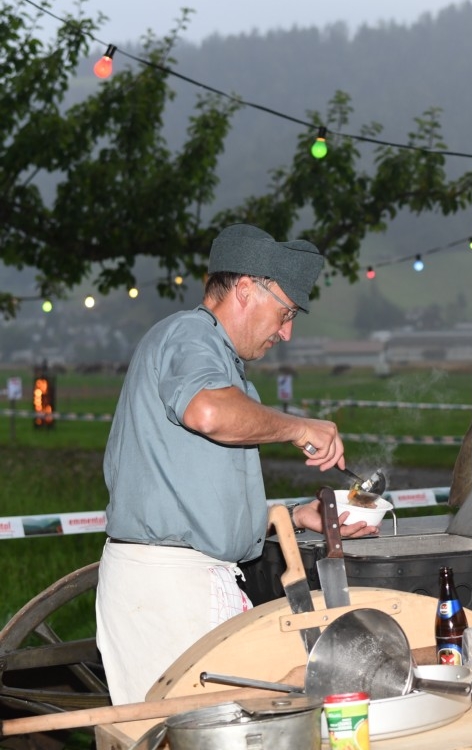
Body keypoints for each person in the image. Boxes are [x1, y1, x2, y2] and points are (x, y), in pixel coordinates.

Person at [95, 223, 378, 705]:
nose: (286, 332)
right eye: (285, 313)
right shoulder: (190, 335)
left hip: (179, 582)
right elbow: (208, 413)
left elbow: (198, 501)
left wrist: (291, 516)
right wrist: (298, 428)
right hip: (168, 589)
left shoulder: (219, 362)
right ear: (245, 289)